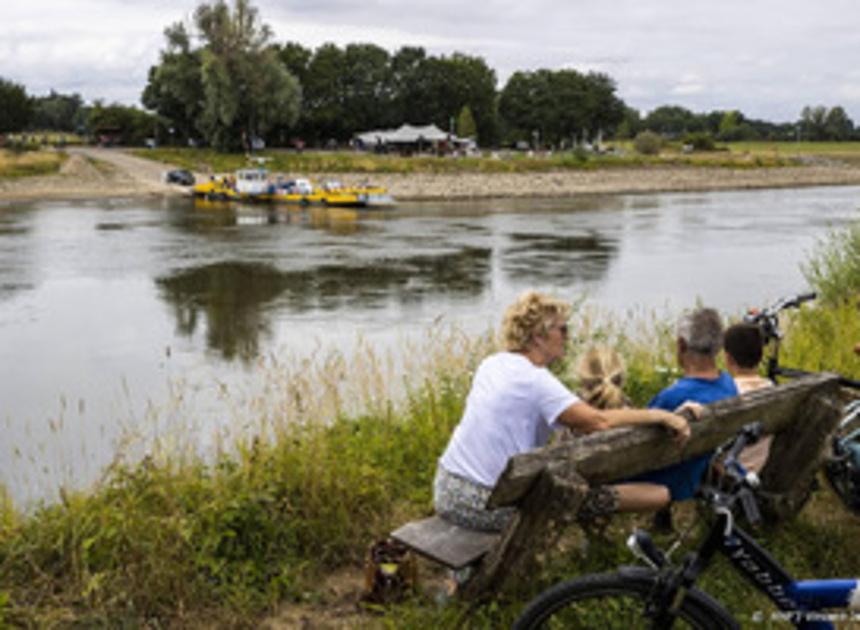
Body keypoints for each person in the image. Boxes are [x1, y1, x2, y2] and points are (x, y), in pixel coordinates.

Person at [433, 291, 692, 533]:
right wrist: (663, 415)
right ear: (538, 335)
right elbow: (599, 422)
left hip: (446, 488)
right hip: (485, 503)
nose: (567, 337)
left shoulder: (492, 364)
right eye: (563, 329)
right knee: (573, 499)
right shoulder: (535, 380)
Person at [631, 307, 738, 531]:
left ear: (681, 345)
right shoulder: (728, 384)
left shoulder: (672, 397)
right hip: (696, 468)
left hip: (668, 478)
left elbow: (633, 440)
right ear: (719, 347)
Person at [724, 322, 773, 472]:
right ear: (761, 356)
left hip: (727, 471)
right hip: (759, 467)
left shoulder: (727, 394)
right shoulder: (771, 388)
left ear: (728, 359)